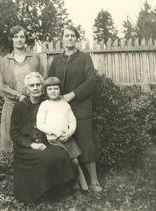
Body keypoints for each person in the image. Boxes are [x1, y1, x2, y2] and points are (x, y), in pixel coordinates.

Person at [48, 25, 102, 192]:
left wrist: (73, 94)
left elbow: (91, 80)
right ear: (62, 39)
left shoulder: (85, 58)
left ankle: (94, 180)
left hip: (81, 107)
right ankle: (73, 181)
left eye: (72, 36)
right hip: (60, 109)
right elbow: (50, 81)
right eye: (66, 36)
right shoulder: (57, 60)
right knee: (65, 144)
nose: (69, 38)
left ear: (76, 39)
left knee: (86, 142)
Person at [9, 72, 78, 202]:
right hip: (26, 147)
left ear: (42, 87)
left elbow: (62, 115)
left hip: (47, 142)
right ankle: (39, 193)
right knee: (46, 158)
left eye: (38, 85)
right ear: (27, 89)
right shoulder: (19, 107)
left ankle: (56, 190)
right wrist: (31, 144)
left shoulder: (48, 103)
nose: (35, 88)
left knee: (61, 154)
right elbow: (14, 133)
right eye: (31, 86)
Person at [36, 76, 88, 191]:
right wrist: (53, 132)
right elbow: (40, 123)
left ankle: (83, 187)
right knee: (63, 161)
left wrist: (69, 133)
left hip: (67, 138)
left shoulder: (65, 104)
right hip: (53, 140)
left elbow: (72, 121)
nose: (53, 91)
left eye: (56, 88)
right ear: (46, 91)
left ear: (60, 90)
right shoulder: (44, 105)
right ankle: (67, 187)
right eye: (50, 89)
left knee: (75, 161)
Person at [0, 26, 43, 153]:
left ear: (26, 39)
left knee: (32, 139)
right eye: (16, 37)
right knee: (11, 142)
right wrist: (18, 96)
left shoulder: (34, 58)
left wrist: (34, 96)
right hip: (13, 105)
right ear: (11, 39)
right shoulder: (4, 61)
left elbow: (41, 78)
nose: (19, 39)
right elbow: (2, 86)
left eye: (22, 36)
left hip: (32, 105)